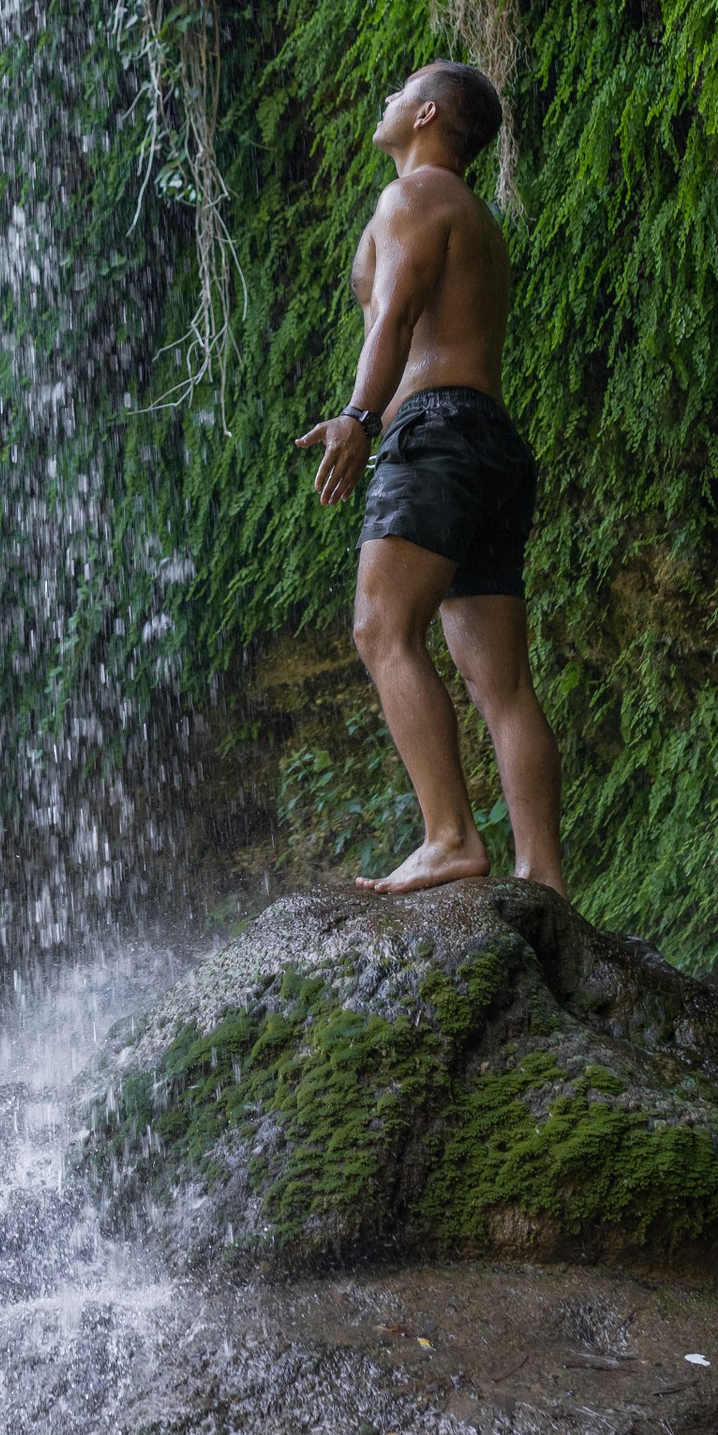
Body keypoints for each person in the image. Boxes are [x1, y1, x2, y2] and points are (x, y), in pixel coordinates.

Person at [294, 60, 565, 896]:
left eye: (400, 92)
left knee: (381, 629)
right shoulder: (476, 217)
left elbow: (395, 311)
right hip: (490, 441)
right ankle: (543, 880)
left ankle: (449, 836)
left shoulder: (411, 196)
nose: (385, 99)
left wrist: (360, 415)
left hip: (435, 433)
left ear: (428, 115)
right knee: (503, 684)